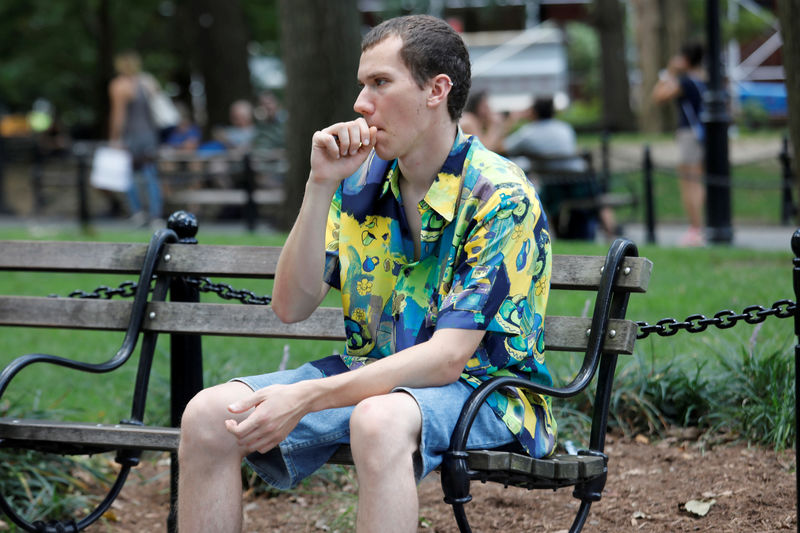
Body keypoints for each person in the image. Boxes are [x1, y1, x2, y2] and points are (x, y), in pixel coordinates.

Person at [177, 14, 555, 533]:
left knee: (378, 421)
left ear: (435, 90)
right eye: (362, 84)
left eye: (380, 83)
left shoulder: (499, 195)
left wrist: (306, 397)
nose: (360, 103)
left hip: (487, 394)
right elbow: (291, 306)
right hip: (371, 379)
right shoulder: (360, 185)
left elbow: (448, 360)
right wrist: (318, 186)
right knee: (208, 417)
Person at [504, 96, 618, 240]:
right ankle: (611, 234)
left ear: (534, 112)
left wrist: (511, 120)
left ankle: (557, 235)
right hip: (579, 180)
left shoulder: (528, 133)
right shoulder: (564, 128)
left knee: (544, 191)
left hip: (553, 186)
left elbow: (502, 147)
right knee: (598, 196)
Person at [652, 41, 707, 247]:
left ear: (685, 59)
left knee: (689, 183)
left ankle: (695, 229)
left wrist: (668, 71)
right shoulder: (703, 78)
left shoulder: (685, 82)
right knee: (698, 181)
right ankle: (700, 227)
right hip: (701, 134)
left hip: (688, 135)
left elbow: (658, 97)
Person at [108, 50, 164, 226]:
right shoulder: (148, 81)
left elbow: (118, 116)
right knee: (150, 175)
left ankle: (138, 212)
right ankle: (156, 215)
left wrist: (114, 138)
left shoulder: (119, 86)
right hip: (150, 134)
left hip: (131, 136)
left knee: (130, 176)